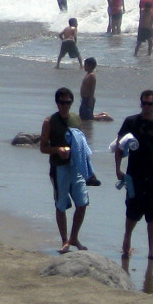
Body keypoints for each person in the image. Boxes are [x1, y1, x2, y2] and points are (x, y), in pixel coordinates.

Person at [114, 89, 153, 261]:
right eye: (144, 103)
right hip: (134, 175)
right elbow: (119, 146)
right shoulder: (131, 122)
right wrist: (118, 169)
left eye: (149, 103)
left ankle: (152, 250)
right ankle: (127, 240)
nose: (146, 106)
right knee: (132, 211)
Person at [40, 87, 91, 253]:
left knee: (82, 203)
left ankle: (74, 237)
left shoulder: (76, 119)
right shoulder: (49, 122)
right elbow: (43, 147)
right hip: (59, 167)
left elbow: (81, 142)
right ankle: (64, 240)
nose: (65, 105)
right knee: (61, 204)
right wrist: (58, 150)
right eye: (62, 102)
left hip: (75, 167)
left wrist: (87, 164)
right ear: (57, 103)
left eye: (68, 102)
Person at [78, 57, 98, 126]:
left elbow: (92, 89)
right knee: (83, 116)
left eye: (85, 65)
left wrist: (90, 99)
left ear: (90, 66)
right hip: (84, 99)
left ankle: (105, 117)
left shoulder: (91, 76)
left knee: (87, 118)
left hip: (88, 99)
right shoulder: (88, 74)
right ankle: (102, 114)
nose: (84, 66)